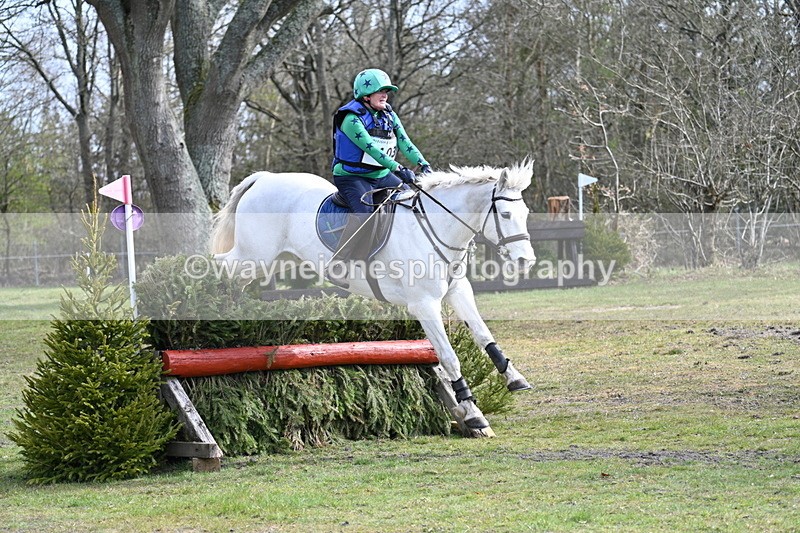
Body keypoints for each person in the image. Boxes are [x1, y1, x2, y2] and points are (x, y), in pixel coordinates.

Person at [328, 68, 431, 286]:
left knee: (412, 201)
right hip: (352, 177)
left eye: (387, 91)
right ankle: (339, 265)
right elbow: (373, 149)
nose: (385, 95)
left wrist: (423, 164)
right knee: (365, 214)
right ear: (366, 95)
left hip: (381, 175)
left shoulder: (389, 115)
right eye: (380, 91)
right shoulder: (350, 118)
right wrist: (398, 167)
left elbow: (405, 142)